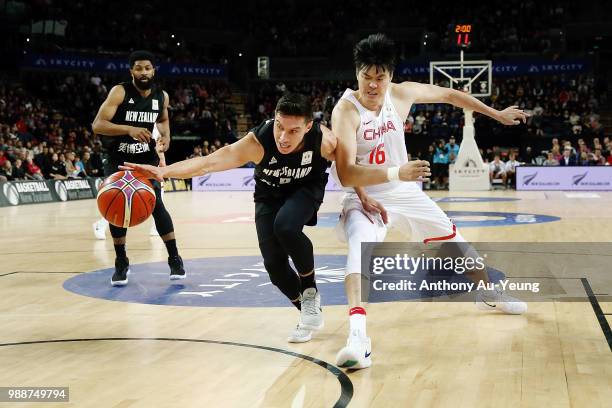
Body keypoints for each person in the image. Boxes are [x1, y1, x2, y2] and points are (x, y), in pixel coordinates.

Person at [122, 93, 424, 343]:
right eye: (280, 126)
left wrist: (363, 195)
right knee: (273, 266)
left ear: (307, 127)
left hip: (307, 187)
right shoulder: (259, 141)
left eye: (293, 131)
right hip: (268, 194)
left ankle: (310, 291)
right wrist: (164, 171)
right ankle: (308, 311)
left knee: (286, 225)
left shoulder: (325, 140)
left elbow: (348, 167)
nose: (283, 136)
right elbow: (208, 164)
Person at [331, 33, 529, 369]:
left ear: (390, 76)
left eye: (380, 78)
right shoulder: (346, 111)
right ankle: (358, 336)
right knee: (358, 249)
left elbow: (451, 95)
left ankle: (488, 295)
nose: (373, 85)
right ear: (357, 74)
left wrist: (495, 114)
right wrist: (396, 172)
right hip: (366, 197)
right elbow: (348, 174)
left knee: (455, 241)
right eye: (367, 77)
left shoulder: (402, 94)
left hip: (405, 192)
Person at [91, 50, 185, 286]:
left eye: (147, 68)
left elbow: (163, 120)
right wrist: (129, 129)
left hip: (146, 158)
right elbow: (98, 125)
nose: (143, 72)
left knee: (157, 205)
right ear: (131, 71)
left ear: (154, 70)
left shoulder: (161, 96)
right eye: (139, 68)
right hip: (118, 158)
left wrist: (166, 137)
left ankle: (174, 258)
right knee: (116, 205)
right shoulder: (120, 91)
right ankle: (121, 261)